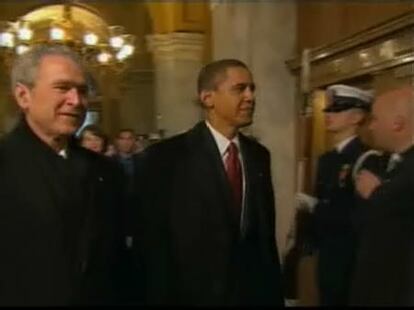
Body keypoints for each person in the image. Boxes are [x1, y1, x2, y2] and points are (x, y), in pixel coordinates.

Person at [135, 59, 284, 306]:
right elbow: (153, 246)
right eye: (239, 89)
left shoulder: (259, 156)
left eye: (252, 89)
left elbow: (265, 242)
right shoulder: (167, 157)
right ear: (207, 98)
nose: (250, 97)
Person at [0, 44, 123, 306]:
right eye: (62, 88)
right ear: (23, 96)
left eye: (81, 90)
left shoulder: (106, 171)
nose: (76, 101)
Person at [351, 85, 414, 306]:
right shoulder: (390, 162)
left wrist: (376, 193)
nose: (371, 126)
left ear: (397, 123)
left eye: (376, 119)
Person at [312, 84, 373, 306]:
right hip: (328, 253)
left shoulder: (366, 157)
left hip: (351, 256)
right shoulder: (327, 159)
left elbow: (357, 214)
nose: (329, 114)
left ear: (356, 116)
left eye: (337, 110)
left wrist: (316, 208)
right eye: (329, 109)